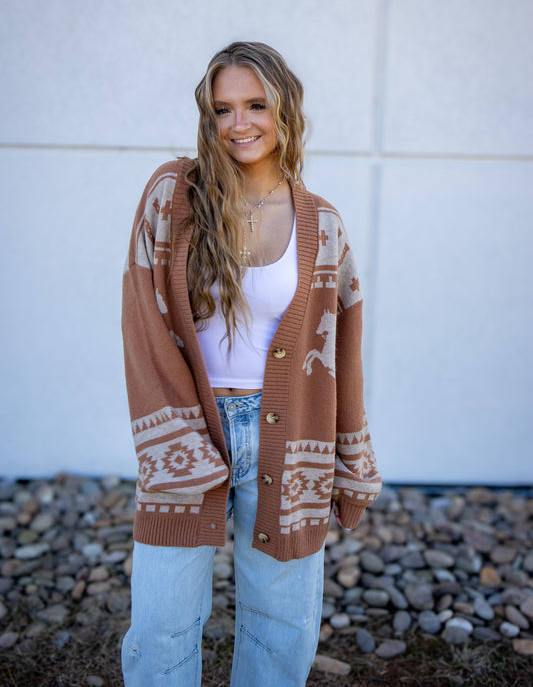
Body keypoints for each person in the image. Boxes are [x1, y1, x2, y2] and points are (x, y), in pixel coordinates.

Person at [121, 41, 382, 686]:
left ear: (285, 107)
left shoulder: (323, 225)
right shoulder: (172, 196)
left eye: (256, 104)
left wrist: (351, 452)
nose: (240, 124)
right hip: (189, 426)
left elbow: (340, 351)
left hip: (291, 436)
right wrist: (173, 434)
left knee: (281, 623)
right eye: (223, 109)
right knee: (161, 621)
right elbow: (143, 320)